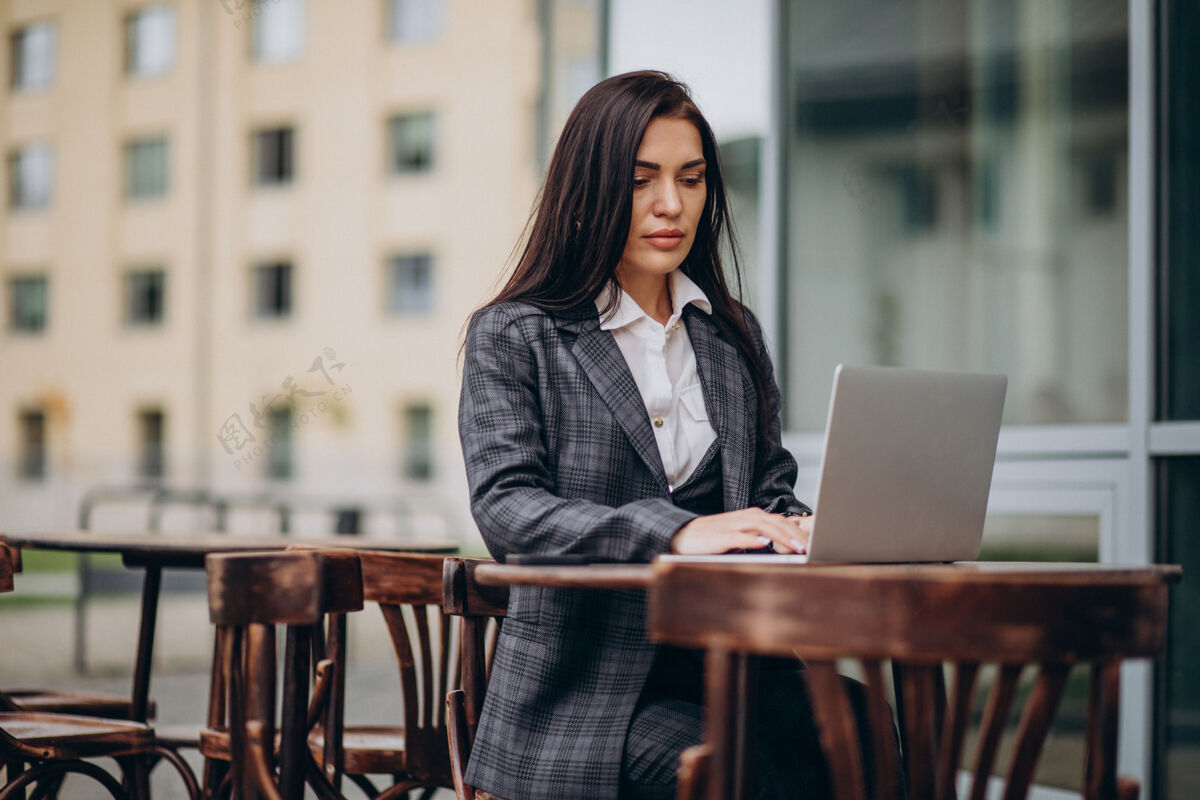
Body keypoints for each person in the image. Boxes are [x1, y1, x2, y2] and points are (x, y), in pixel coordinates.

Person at [458, 71, 860, 800]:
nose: (672, 205)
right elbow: (506, 510)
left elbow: (769, 488)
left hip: (733, 660)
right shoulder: (516, 335)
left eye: (692, 179)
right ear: (588, 191)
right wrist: (675, 534)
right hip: (584, 693)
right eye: (642, 181)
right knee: (744, 774)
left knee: (866, 731)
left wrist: (796, 528)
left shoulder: (734, 338)